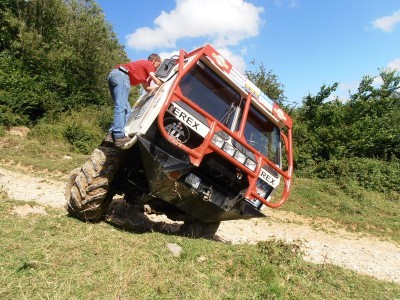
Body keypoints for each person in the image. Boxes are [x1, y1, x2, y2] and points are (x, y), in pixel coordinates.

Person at [107, 54, 162, 147]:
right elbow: (155, 78)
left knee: (127, 109)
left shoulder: (142, 72)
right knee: (122, 106)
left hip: (114, 75)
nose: (157, 68)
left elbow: (147, 88)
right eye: (159, 64)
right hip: (122, 76)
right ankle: (118, 136)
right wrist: (161, 83)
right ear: (154, 61)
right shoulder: (148, 64)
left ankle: (110, 135)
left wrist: (156, 89)